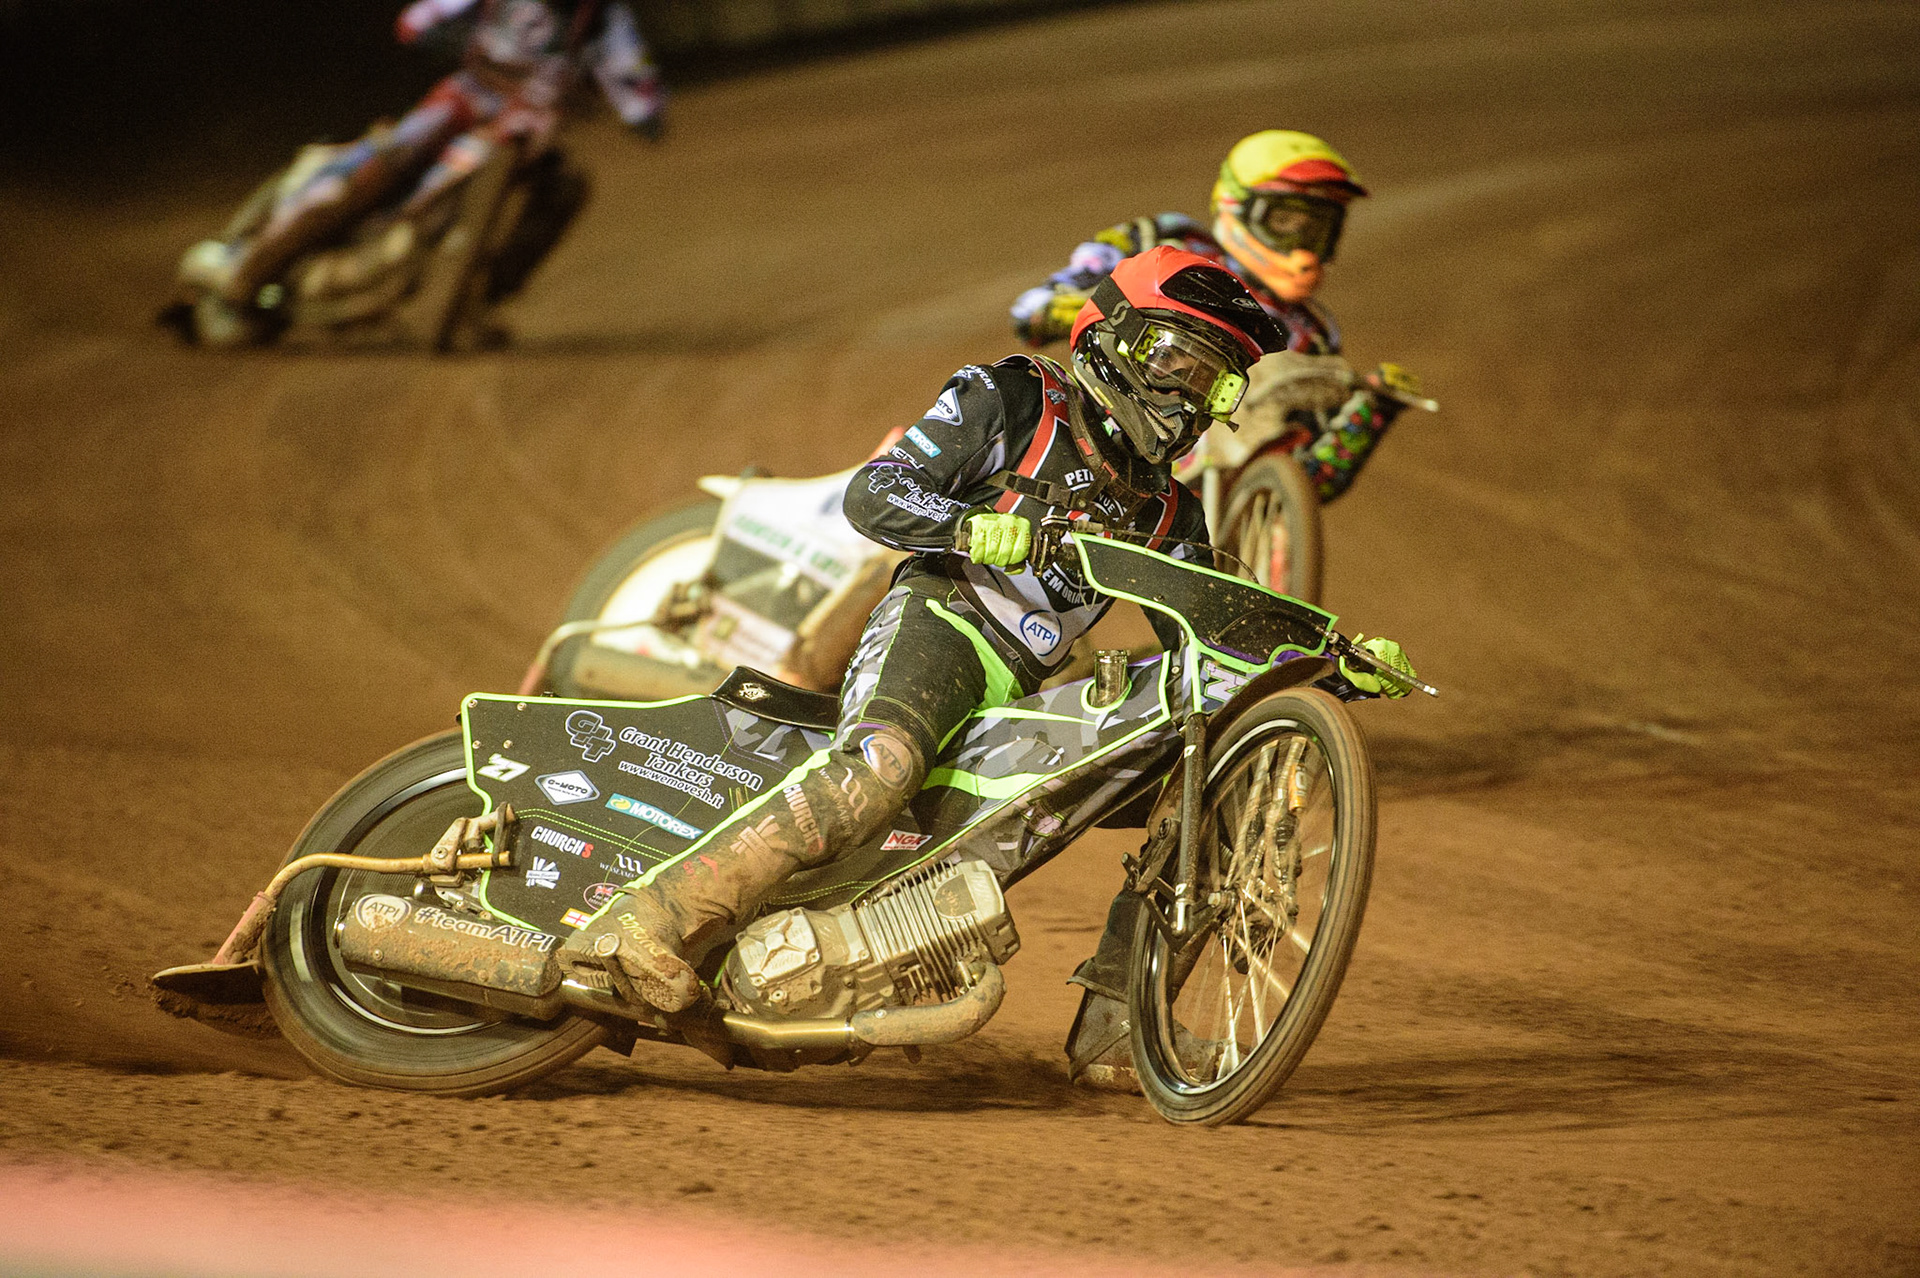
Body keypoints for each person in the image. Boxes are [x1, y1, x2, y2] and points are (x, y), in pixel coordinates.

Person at [562, 246, 1418, 1091]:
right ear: (1112, 335)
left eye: (1215, 382)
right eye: (1178, 362)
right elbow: (877, 491)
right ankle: (646, 922)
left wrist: (1331, 660)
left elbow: (1219, 628)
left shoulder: (1170, 509)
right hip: (944, 619)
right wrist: (970, 527)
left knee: (1204, 792)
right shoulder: (1012, 396)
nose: (1191, 397)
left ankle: (1119, 1028)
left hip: (1026, 690)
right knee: (881, 769)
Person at [178, 0, 665, 327]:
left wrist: (642, 112)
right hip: (467, 101)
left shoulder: (605, 20)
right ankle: (252, 265)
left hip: (523, 135)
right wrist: (449, 37)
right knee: (400, 153)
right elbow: (420, 18)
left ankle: (480, 302)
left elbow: (638, 89)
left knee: (564, 192)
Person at [1008, 130, 1427, 507]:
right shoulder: (1167, 242)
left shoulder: (1310, 335)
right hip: (1106, 430)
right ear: (1237, 208)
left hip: (1215, 491)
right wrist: (1081, 306)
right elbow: (1033, 309)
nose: (1307, 246)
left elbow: (1308, 482)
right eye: (1287, 222)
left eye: (1321, 229)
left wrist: (1370, 411)